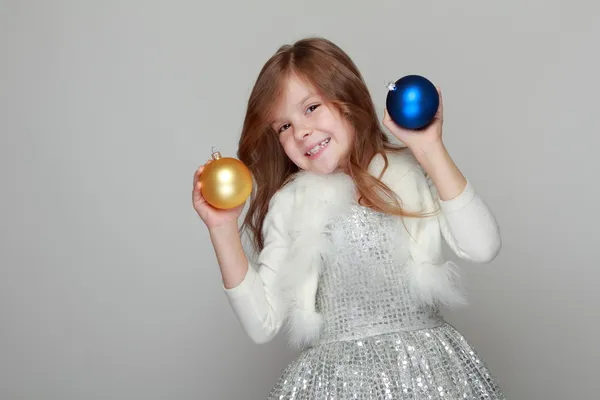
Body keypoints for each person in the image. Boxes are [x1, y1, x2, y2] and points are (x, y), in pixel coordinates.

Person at [192, 37, 505, 399]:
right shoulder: (291, 205)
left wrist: (429, 148)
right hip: (338, 385)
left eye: (311, 108)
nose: (301, 132)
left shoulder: (409, 174)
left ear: (348, 99)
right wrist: (222, 229)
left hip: (428, 377)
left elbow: (482, 246)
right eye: (283, 127)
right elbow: (262, 325)